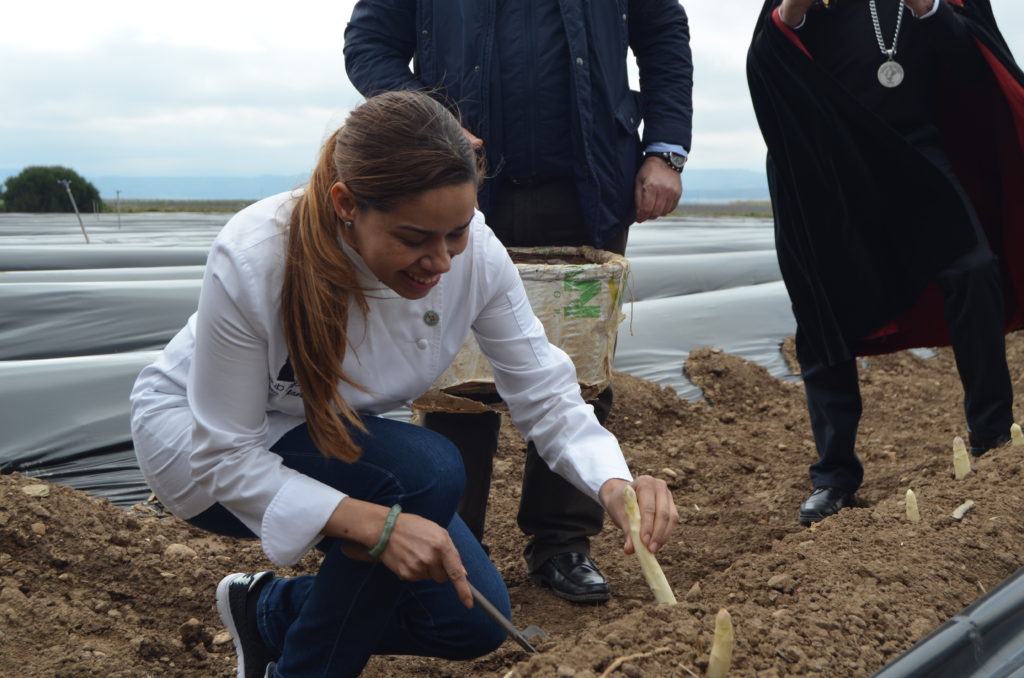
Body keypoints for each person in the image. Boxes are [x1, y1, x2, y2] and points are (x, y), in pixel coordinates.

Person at [129, 91, 678, 678]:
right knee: (427, 473)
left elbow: (545, 395)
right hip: (198, 447)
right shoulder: (257, 255)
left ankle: (266, 613)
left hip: (323, 438)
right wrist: (373, 524)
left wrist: (613, 482)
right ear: (347, 204)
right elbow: (225, 456)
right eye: (414, 238)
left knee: (469, 621)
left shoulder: (478, 259)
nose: (440, 262)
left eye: (456, 234)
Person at [343, 0, 693, 602]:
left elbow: (663, 36)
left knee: (579, 369)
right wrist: (429, 121)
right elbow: (369, 43)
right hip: (460, 187)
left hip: (590, 181)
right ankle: (455, 536)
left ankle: (562, 543)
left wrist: (664, 149)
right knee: (455, 368)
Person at [747, 0, 1024, 524]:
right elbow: (766, 67)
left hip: (917, 150)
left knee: (973, 269)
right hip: (826, 161)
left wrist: (927, 7)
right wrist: (792, 12)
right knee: (823, 312)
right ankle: (834, 477)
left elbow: (971, 72)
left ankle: (992, 435)